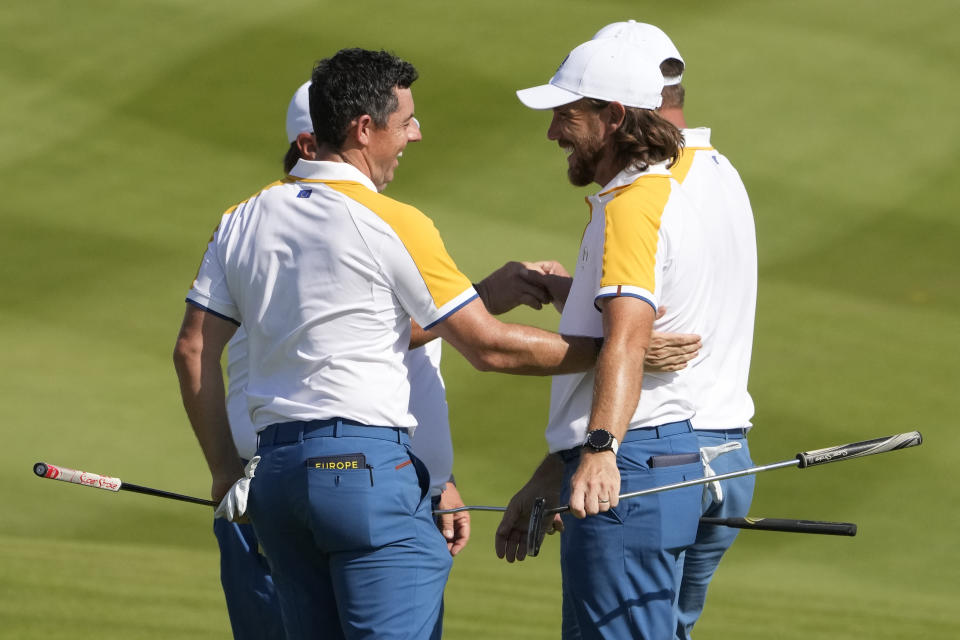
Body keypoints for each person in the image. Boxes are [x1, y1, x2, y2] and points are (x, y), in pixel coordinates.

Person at [174, 48, 606, 639]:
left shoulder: (241, 217)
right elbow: (489, 347)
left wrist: (225, 470)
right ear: (363, 129)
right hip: (364, 475)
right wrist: (611, 352)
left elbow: (193, 350)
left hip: (274, 481)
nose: (416, 134)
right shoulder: (395, 221)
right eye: (406, 122)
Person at [494, 35, 713, 639]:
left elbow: (624, 340)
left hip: (631, 467)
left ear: (614, 117)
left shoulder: (632, 207)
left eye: (567, 115)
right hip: (646, 461)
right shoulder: (654, 194)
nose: (552, 133)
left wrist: (596, 452)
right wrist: (558, 466)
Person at [588, 22, 759, 639]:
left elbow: (632, 340)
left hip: (667, 453)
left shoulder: (651, 187)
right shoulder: (723, 172)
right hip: (728, 453)